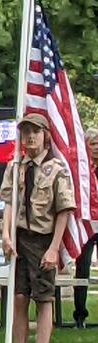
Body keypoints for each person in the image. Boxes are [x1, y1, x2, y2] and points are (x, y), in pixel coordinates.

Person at [0, 113, 74, 343]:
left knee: (43, 297)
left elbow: (64, 209)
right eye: (26, 132)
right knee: (19, 296)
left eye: (35, 132)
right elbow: (9, 203)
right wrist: (6, 235)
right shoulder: (15, 167)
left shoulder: (56, 169)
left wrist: (54, 248)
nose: (30, 137)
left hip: (43, 239)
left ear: (46, 137)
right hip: (20, 237)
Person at [72, 127, 98, 327]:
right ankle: (80, 315)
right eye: (92, 144)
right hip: (87, 223)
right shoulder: (82, 171)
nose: (96, 147)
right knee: (82, 268)